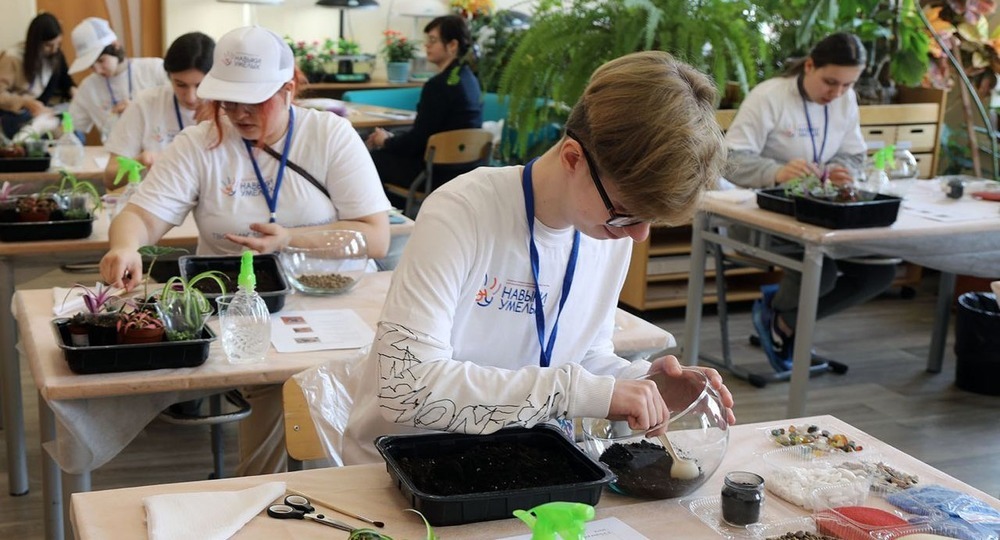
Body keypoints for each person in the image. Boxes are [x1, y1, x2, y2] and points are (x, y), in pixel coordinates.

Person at [341, 50, 735, 465]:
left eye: (649, 219)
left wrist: (642, 383)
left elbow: (582, 354)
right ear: (573, 158)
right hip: (407, 466)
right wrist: (578, 391)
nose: (638, 235)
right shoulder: (462, 211)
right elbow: (406, 389)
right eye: (626, 213)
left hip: (520, 464)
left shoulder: (606, 232)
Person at [99, 25, 391, 475]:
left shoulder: (329, 136)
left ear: (288, 88)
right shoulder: (199, 144)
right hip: (240, 306)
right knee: (275, 387)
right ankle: (265, 495)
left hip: (332, 303)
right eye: (228, 101)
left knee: (325, 388)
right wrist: (125, 246)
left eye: (253, 101)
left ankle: (320, 492)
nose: (238, 113)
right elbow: (141, 215)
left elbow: (375, 237)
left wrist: (289, 239)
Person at [723, 32, 897, 371]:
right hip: (761, 216)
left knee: (879, 272)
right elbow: (729, 160)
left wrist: (841, 170)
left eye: (848, 85)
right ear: (809, 66)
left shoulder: (845, 100)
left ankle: (783, 320)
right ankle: (784, 324)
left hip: (821, 214)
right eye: (831, 82)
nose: (837, 93)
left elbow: (854, 155)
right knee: (822, 270)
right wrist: (776, 172)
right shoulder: (769, 96)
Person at [366, 15, 482, 203]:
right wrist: (394, 139)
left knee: (371, 159)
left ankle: (395, 216)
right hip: (466, 170)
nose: (427, 45)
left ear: (452, 45)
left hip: (435, 174)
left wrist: (386, 141)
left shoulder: (438, 85)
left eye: (433, 40)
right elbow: (427, 133)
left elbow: (417, 141)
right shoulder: (471, 80)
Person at [102, 32, 215, 189]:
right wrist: (140, 161)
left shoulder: (228, 109)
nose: (191, 97)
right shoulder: (146, 103)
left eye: (200, 86)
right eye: (180, 85)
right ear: (169, 77)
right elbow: (110, 178)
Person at [66, 17, 168, 141]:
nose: (98, 70)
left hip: (158, 147)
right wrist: (48, 124)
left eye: (101, 61)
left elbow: (179, 107)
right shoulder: (89, 87)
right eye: (91, 66)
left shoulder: (154, 69)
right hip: (115, 150)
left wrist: (140, 108)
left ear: (115, 45)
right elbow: (71, 126)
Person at [0, 12, 75, 138]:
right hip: (15, 114)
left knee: (76, 134)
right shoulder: (12, 58)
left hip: (41, 110)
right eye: (48, 45)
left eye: (58, 44)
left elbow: (66, 80)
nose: (54, 49)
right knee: (51, 135)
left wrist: (73, 90)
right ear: (35, 43)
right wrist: (25, 102)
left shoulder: (55, 55)